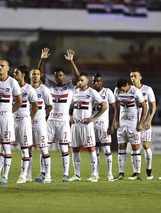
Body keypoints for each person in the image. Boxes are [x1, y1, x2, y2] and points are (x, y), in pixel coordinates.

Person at [0, 65, 38, 184]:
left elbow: (35, 107)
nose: (14, 74)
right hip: (11, 121)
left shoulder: (29, 89)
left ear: (23, 75)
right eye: (14, 72)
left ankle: (23, 175)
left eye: (17, 73)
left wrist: (28, 119)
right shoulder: (10, 86)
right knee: (3, 147)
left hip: (23, 123)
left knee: (24, 149)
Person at [38, 48, 80, 182]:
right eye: (56, 75)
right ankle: (42, 172)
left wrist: (72, 62)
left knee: (64, 148)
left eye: (61, 75)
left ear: (64, 76)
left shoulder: (70, 87)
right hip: (50, 121)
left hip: (63, 121)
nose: (58, 77)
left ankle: (66, 174)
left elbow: (78, 77)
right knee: (44, 147)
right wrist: (42, 60)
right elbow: (40, 75)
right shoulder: (50, 85)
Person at [68, 72, 107, 182]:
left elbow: (104, 106)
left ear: (87, 81)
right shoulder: (75, 92)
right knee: (75, 149)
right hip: (75, 125)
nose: (79, 82)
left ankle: (95, 174)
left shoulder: (92, 92)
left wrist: (93, 118)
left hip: (86, 126)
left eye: (82, 80)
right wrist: (70, 116)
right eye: (79, 80)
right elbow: (71, 107)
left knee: (91, 148)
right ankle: (77, 175)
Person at [114, 78, 147, 181]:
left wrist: (141, 122)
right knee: (121, 147)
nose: (121, 91)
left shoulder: (135, 91)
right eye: (120, 90)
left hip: (133, 124)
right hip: (122, 122)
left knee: (135, 147)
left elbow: (144, 107)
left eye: (123, 89)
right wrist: (115, 120)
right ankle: (121, 173)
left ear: (127, 85)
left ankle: (138, 173)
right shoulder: (116, 90)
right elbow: (116, 106)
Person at [129, 68, 157, 180]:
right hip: (133, 123)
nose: (133, 78)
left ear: (140, 77)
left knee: (145, 145)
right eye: (131, 76)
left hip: (145, 123)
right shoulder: (129, 90)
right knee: (134, 147)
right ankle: (136, 172)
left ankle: (149, 170)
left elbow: (153, 106)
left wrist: (150, 119)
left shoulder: (147, 89)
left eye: (135, 76)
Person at [29, 68, 53, 183]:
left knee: (43, 149)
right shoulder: (25, 89)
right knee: (27, 149)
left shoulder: (44, 90)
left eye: (38, 74)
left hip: (40, 124)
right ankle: (27, 175)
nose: (36, 76)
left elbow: (50, 106)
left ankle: (47, 175)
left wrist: (41, 116)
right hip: (27, 124)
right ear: (30, 75)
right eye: (33, 74)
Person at [91, 72, 117, 182]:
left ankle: (109, 174)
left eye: (98, 81)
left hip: (104, 125)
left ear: (102, 82)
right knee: (95, 150)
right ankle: (95, 174)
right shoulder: (90, 92)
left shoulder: (107, 92)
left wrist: (113, 124)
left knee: (107, 148)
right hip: (92, 125)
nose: (96, 83)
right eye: (94, 81)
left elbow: (114, 108)